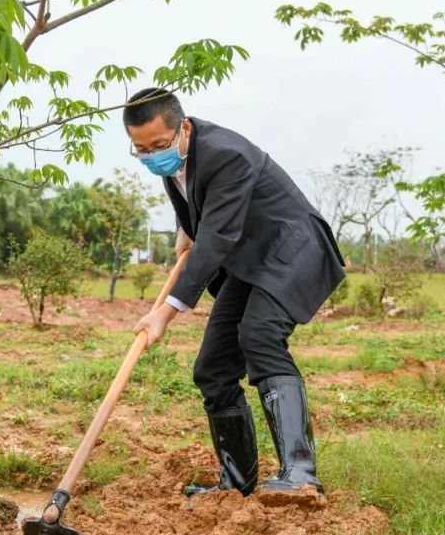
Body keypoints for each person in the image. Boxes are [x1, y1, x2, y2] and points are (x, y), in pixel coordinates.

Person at [126, 87, 346, 500]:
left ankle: (300, 472)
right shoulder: (174, 162)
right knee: (212, 368)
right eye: (141, 149)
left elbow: (218, 235)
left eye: (159, 145)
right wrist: (183, 228)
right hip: (250, 262)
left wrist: (165, 313)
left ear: (184, 129)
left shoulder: (227, 153)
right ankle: (236, 484)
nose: (153, 155)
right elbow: (199, 208)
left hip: (290, 251)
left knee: (260, 335)